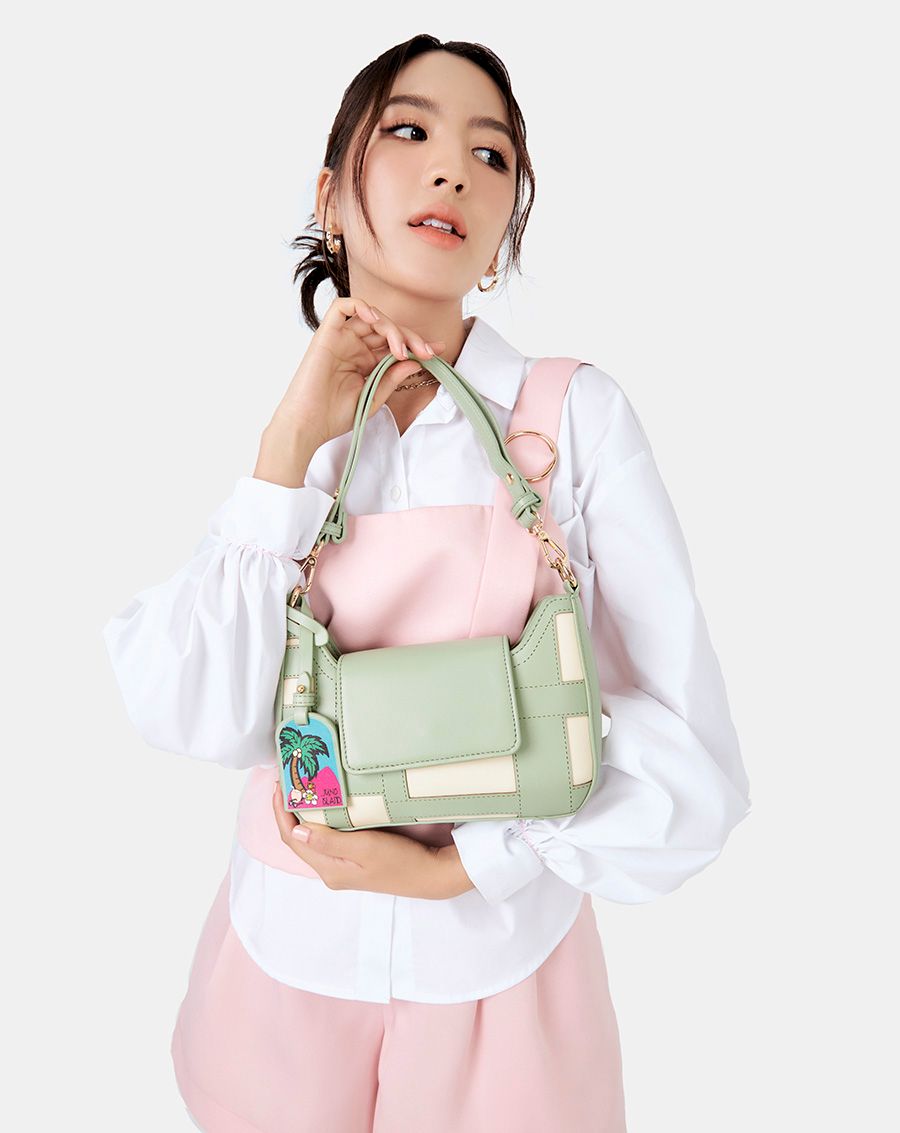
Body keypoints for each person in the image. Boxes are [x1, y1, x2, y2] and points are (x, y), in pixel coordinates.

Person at [102, 34, 751, 1133]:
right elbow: (190, 708)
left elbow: (693, 760)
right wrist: (285, 452)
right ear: (329, 197)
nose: (453, 169)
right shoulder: (285, 420)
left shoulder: (569, 420)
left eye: (491, 156)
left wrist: (458, 869)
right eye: (409, 132)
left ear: (504, 233)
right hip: (279, 965)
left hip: (501, 979)